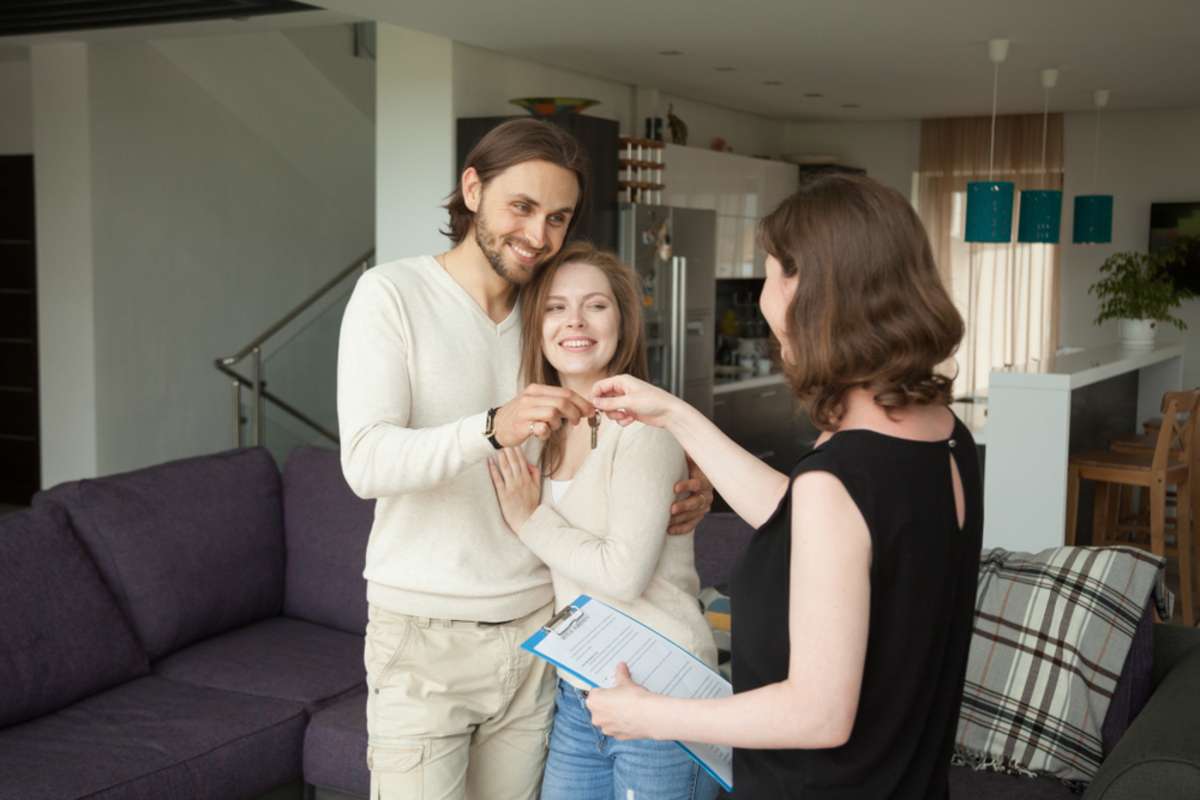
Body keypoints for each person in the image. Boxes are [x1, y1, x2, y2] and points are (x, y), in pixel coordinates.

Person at [336, 118, 713, 800]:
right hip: (426, 636)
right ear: (472, 189)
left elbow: (613, 451)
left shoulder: (549, 318)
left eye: (558, 217)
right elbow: (365, 462)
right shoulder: (392, 295)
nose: (539, 236)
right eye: (523, 207)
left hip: (547, 636)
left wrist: (688, 483)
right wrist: (491, 427)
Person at [584, 171, 984, 799]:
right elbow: (819, 525)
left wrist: (647, 714)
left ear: (811, 291)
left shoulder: (841, 476)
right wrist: (675, 415)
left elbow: (817, 715)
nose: (766, 298)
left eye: (772, 272)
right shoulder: (941, 435)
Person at [486, 241, 721, 800]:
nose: (575, 321)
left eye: (595, 306)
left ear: (623, 322)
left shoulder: (645, 428)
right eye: (555, 307)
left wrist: (531, 520)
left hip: (662, 693)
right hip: (580, 693)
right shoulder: (541, 434)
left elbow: (621, 576)